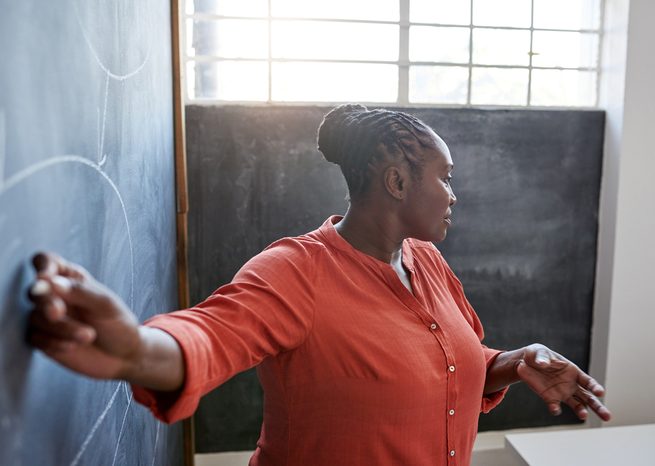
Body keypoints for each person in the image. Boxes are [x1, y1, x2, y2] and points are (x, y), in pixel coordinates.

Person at [27, 104, 611, 466]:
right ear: (396, 181)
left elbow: (454, 365)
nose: (454, 195)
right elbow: (210, 334)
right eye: (445, 178)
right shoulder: (296, 272)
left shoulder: (427, 262)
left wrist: (514, 362)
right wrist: (134, 349)